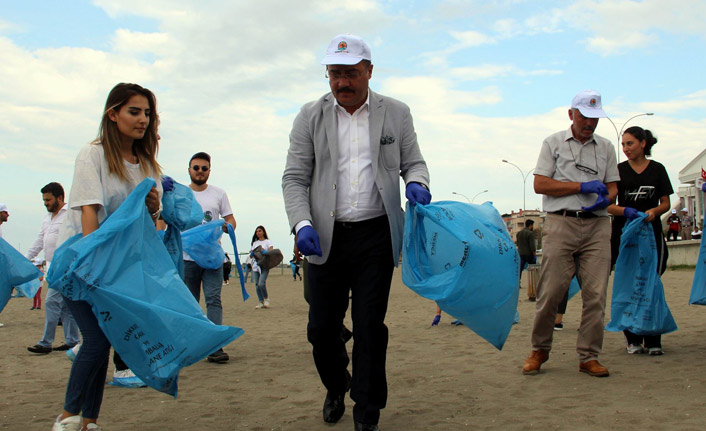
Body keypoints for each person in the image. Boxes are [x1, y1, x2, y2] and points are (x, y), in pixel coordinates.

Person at [282, 34, 431, 431]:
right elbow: (294, 178)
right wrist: (302, 224)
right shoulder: (309, 116)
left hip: (376, 236)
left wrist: (418, 182)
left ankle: (367, 410)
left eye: (350, 74)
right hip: (324, 236)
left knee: (369, 326)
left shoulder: (396, 113)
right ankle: (336, 384)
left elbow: (413, 162)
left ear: (369, 71)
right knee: (321, 330)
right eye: (334, 74)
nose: (342, 83)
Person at [51, 83, 163, 431]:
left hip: (118, 266)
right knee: (97, 341)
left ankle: (90, 420)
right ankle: (68, 416)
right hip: (80, 261)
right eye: (134, 111)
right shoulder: (93, 154)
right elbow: (90, 211)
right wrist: (90, 265)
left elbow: (150, 217)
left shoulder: (145, 162)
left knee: (106, 340)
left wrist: (153, 205)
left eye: (147, 113)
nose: (142, 119)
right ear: (113, 114)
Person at [522, 90, 619, 378]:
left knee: (596, 295)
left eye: (595, 119)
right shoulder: (553, 143)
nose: (589, 123)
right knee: (551, 291)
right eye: (584, 117)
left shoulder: (606, 148)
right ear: (571, 114)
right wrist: (581, 187)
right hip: (561, 222)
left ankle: (589, 356)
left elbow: (613, 186)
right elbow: (540, 184)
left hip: (597, 225)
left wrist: (607, 199)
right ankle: (539, 349)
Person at [607, 126, 673, 355]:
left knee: (651, 283)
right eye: (623, 144)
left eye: (630, 143)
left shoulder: (657, 170)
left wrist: (654, 212)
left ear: (643, 143)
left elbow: (666, 203)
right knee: (628, 284)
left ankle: (653, 337)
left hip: (652, 236)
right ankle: (632, 338)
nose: (625, 149)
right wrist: (625, 211)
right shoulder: (617, 171)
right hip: (625, 238)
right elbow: (608, 204)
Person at [182, 151, 236, 363]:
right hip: (187, 258)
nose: (200, 172)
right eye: (196, 168)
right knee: (190, 303)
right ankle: (193, 344)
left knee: (214, 299)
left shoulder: (219, 194)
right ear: (189, 170)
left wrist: (227, 227)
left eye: (204, 168)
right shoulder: (181, 195)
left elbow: (231, 219)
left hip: (213, 258)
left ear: (209, 171)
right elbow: (168, 219)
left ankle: (215, 346)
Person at [25, 182, 80, 354]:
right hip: (52, 267)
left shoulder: (71, 215)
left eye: (48, 200)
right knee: (67, 307)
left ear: (60, 198)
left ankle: (46, 343)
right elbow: (40, 241)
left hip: (67, 266)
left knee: (50, 302)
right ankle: (72, 341)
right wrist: (25, 259)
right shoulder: (47, 218)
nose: (45, 203)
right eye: (44, 200)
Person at [250, 225, 274, 308]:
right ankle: (260, 301)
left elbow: (271, 251)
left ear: (263, 232)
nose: (258, 233)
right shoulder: (255, 243)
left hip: (264, 265)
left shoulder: (268, 242)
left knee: (261, 283)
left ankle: (266, 299)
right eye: (256, 231)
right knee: (257, 285)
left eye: (259, 231)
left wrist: (265, 252)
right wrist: (252, 253)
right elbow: (252, 253)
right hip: (255, 265)